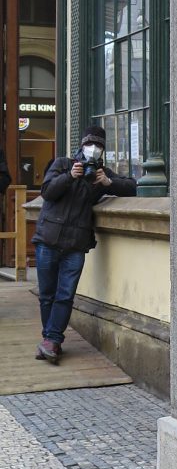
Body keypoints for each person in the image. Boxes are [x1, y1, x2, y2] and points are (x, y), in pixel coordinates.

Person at [33, 126, 136, 364]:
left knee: (65, 295)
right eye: (90, 144)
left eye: (99, 146)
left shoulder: (101, 174)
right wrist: (70, 176)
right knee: (47, 295)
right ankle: (50, 339)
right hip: (48, 239)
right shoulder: (62, 164)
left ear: (103, 150)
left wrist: (108, 182)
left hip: (76, 243)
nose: (94, 149)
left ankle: (53, 340)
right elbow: (47, 191)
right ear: (81, 145)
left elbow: (132, 186)